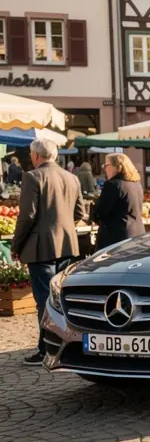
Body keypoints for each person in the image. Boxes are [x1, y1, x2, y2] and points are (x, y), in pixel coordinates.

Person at [10, 138, 87, 365]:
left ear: (35, 155)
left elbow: (27, 217)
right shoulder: (71, 177)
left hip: (41, 247)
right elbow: (80, 212)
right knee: (60, 297)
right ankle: (63, 345)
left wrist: (16, 246)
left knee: (44, 299)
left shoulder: (32, 177)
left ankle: (46, 348)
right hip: (66, 245)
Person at [92, 153, 145, 251]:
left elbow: (101, 211)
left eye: (106, 165)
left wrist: (93, 213)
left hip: (116, 238)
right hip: (137, 234)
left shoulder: (113, 185)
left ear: (118, 167)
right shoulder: (136, 184)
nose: (104, 169)